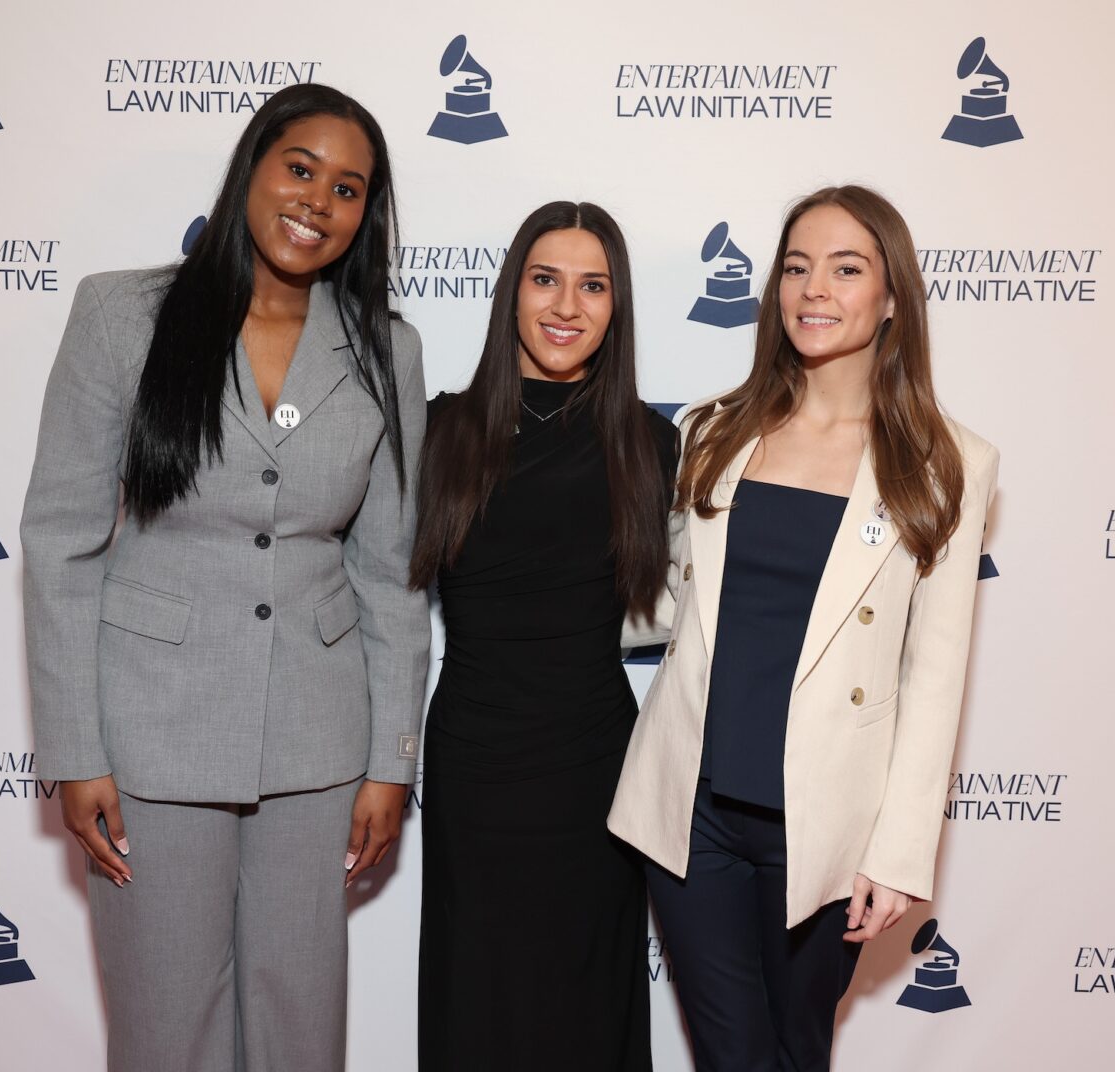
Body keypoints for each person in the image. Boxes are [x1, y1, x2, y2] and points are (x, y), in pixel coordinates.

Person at [20, 84, 428, 1072]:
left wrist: (389, 759)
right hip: (152, 732)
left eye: (347, 188)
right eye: (299, 169)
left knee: (299, 1027)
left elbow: (391, 575)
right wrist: (75, 750)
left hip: (319, 744)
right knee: (167, 1027)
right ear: (252, 167)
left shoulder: (386, 352)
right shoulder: (123, 315)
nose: (317, 201)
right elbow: (59, 539)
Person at [609, 185, 999, 1070]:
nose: (813, 289)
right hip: (693, 816)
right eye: (795, 268)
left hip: (828, 825)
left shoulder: (949, 463)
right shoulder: (712, 429)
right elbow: (668, 604)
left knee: (795, 1053)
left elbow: (935, 680)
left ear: (893, 295)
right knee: (730, 1055)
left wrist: (899, 853)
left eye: (846, 268)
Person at [409, 201, 677, 1072]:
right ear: (511, 293)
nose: (567, 306)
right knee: (475, 997)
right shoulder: (439, 429)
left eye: (593, 286)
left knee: (587, 1005)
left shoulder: (651, 441)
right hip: (475, 767)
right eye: (546, 279)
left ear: (617, 306)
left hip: (595, 769)